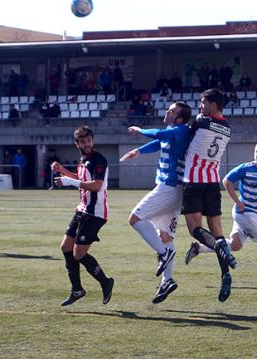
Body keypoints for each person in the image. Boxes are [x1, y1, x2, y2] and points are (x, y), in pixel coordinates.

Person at [120, 102, 191, 304]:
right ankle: (167, 281)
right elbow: (160, 142)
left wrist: (140, 130)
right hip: (173, 190)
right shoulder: (173, 131)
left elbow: (158, 136)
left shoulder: (180, 130)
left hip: (168, 188)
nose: (167, 112)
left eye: (172, 111)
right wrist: (139, 151)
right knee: (165, 235)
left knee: (135, 219)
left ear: (179, 118)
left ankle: (163, 253)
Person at [186, 141, 257, 286]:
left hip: (251, 212)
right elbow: (226, 181)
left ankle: (198, 248)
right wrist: (237, 202)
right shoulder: (246, 168)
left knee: (235, 245)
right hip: (244, 212)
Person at [181, 88, 236, 302]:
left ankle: (219, 247)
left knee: (195, 229)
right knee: (218, 232)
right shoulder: (227, 127)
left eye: (203, 102)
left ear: (213, 104)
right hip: (212, 182)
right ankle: (225, 275)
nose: (200, 106)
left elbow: (184, 133)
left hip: (194, 181)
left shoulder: (201, 122)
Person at [51, 126, 114, 306]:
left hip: (96, 213)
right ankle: (77, 289)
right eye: (82, 141)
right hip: (82, 209)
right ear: (77, 143)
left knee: (78, 253)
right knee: (65, 247)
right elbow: (81, 180)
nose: (86, 144)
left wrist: (69, 181)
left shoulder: (98, 160)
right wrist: (63, 171)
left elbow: (96, 185)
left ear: (92, 140)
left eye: (89, 141)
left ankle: (105, 282)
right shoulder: (83, 159)